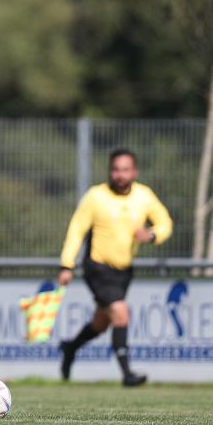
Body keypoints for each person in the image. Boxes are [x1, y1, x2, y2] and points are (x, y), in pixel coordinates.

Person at [58, 149, 172, 387]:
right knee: (120, 313)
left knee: (101, 323)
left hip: (124, 271)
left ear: (134, 172)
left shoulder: (144, 196)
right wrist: (67, 264)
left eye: (125, 170)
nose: (120, 175)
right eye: (116, 170)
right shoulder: (96, 196)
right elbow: (76, 230)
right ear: (110, 171)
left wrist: (152, 235)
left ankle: (71, 347)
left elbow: (165, 223)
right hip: (97, 267)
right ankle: (127, 374)